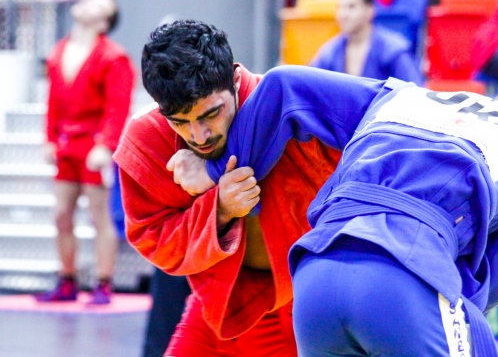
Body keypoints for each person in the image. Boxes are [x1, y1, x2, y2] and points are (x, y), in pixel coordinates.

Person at [170, 66, 498, 356]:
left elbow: (282, 85)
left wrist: (217, 172)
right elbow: (484, 288)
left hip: (313, 276)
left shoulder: (405, 95)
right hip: (404, 278)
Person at [113, 20, 341, 356]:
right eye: (180, 122)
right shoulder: (148, 137)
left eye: (211, 114)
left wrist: (212, 173)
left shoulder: (293, 110)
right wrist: (218, 210)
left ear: (235, 81)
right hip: (217, 305)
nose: (199, 135)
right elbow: (153, 236)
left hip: (304, 303)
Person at [37, 0, 135, 305]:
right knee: (61, 214)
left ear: (105, 22)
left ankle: (103, 282)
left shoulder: (114, 57)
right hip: (66, 145)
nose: (88, 3)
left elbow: (117, 107)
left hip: (93, 146)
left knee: (99, 216)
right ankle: (67, 280)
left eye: (98, 5)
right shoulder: (59, 51)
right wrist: (49, 139)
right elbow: (52, 101)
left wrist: (106, 145)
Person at [311, 0, 424, 84]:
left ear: (370, 10)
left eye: (351, 7)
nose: (343, 14)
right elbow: (308, 83)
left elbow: (415, 92)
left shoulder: (393, 50)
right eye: (340, 7)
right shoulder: (331, 50)